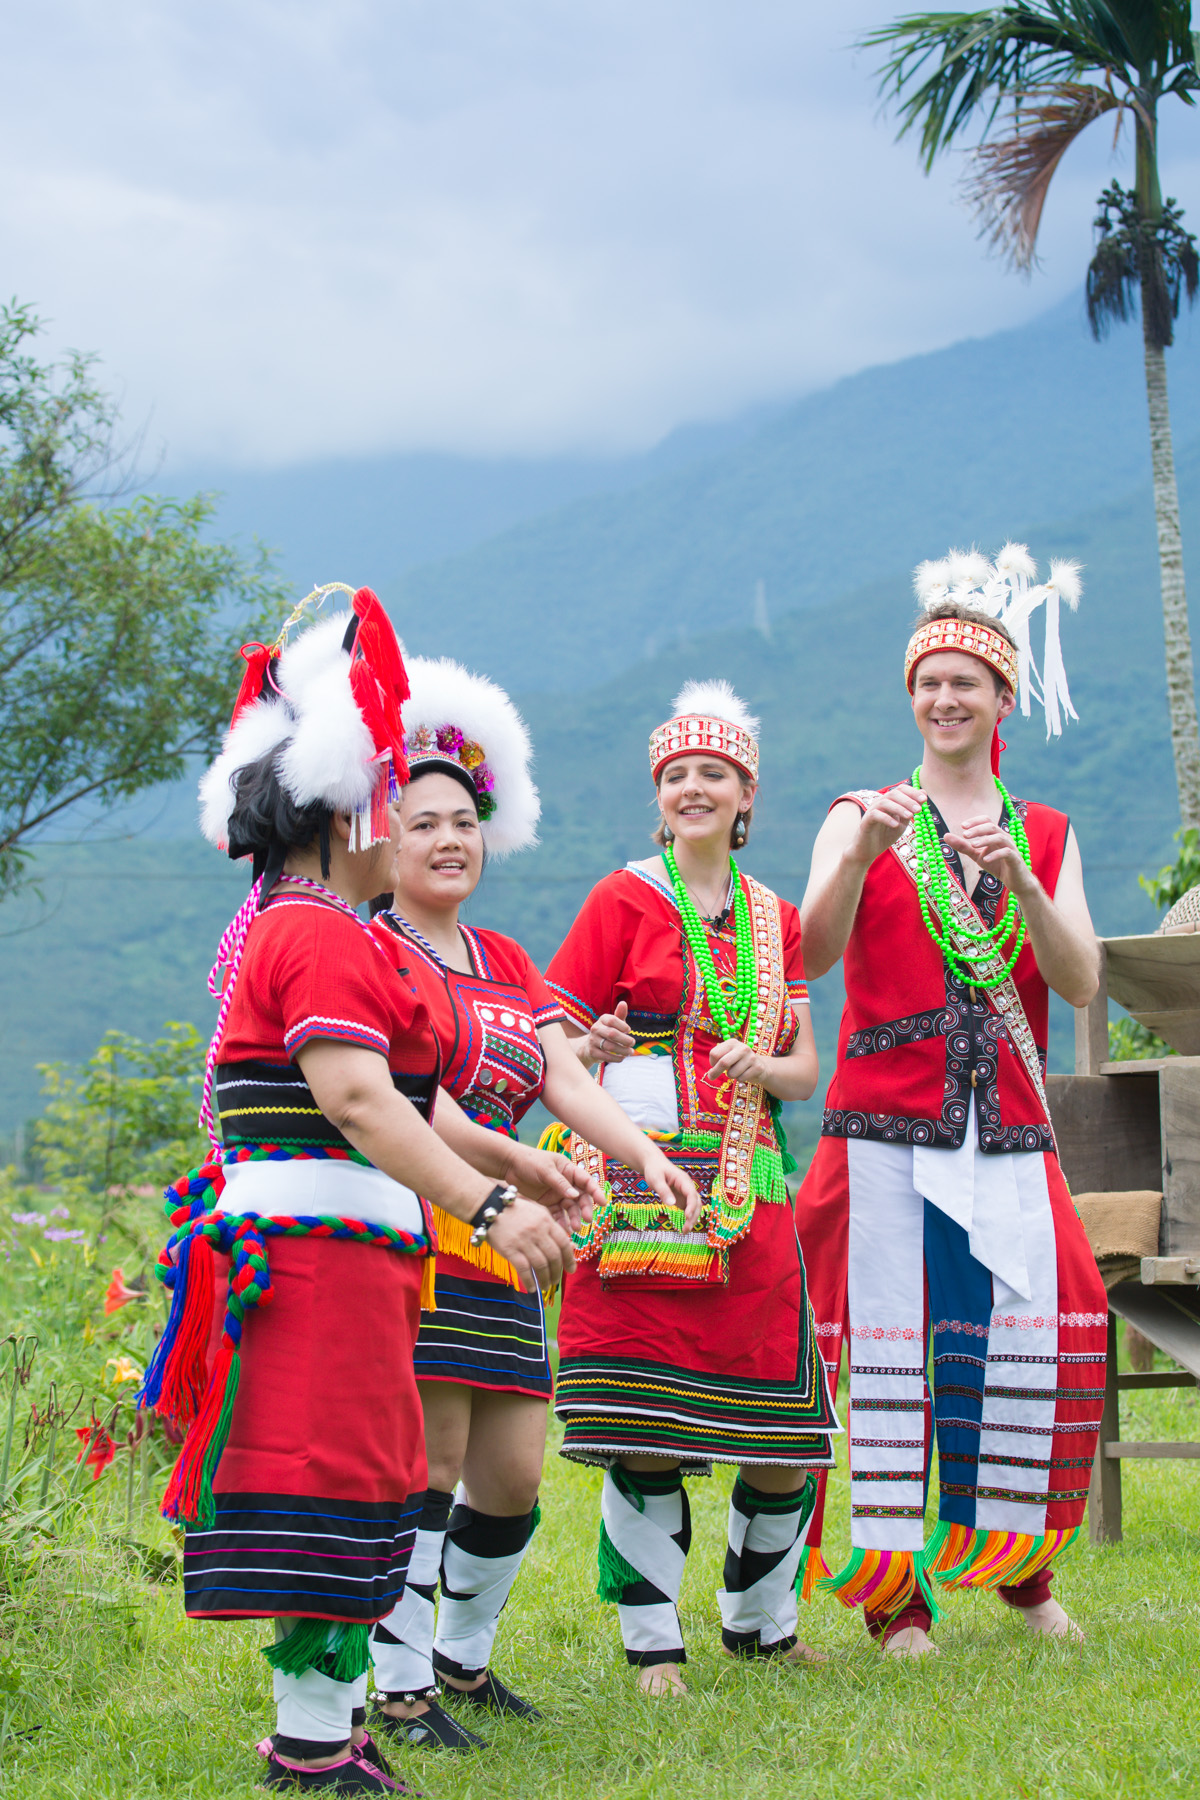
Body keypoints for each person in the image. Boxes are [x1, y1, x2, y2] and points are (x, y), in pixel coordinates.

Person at [140, 587, 582, 1795]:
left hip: (346, 1251)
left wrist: (510, 1157)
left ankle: (325, 1729)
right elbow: (359, 1102)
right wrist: (491, 1211)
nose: (406, 824)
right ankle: (311, 1745)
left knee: (364, 1478)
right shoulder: (319, 934)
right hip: (318, 1251)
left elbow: (401, 1095)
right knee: (336, 1480)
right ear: (344, 811)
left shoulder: (321, 930)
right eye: (390, 799)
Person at [362, 656, 699, 1749]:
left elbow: (560, 1073)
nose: (450, 839)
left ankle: (461, 1665)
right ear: (388, 839)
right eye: (425, 824)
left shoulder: (501, 953)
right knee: (435, 1464)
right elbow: (421, 1105)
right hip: (426, 1223)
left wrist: (643, 1153)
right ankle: (398, 1688)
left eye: (464, 820)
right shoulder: (374, 949)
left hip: (512, 1236)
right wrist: (518, 1170)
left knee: (510, 1476)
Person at [794, 546, 1109, 1657]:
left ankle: (1022, 1571)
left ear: (1001, 700)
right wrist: (856, 859)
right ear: (912, 697)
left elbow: (1079, 982)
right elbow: (809, 956)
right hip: (886, 1117)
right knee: (889, 1346)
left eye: (964, 682)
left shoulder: (1050, 833)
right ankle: (894, 1595)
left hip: (1007, 1124)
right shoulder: (861, 812)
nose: (943, 698)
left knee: (1019, 1332)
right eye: (928, 682)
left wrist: (1022, 881)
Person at [543, 680, 840, 1696]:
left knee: (783, 1439)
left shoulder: (778, 919)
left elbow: (808, 1070)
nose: (694, 788)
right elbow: (556, 1043)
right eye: (677, 776)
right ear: (658, 796)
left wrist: (768, 1071)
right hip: (640, 1187)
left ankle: (762, 1624)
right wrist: (596, 1038)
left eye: (714, 773)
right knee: (645, 1434)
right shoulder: (622, 897)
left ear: (746, 794)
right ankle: (651, 1646)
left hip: (750, 1192)